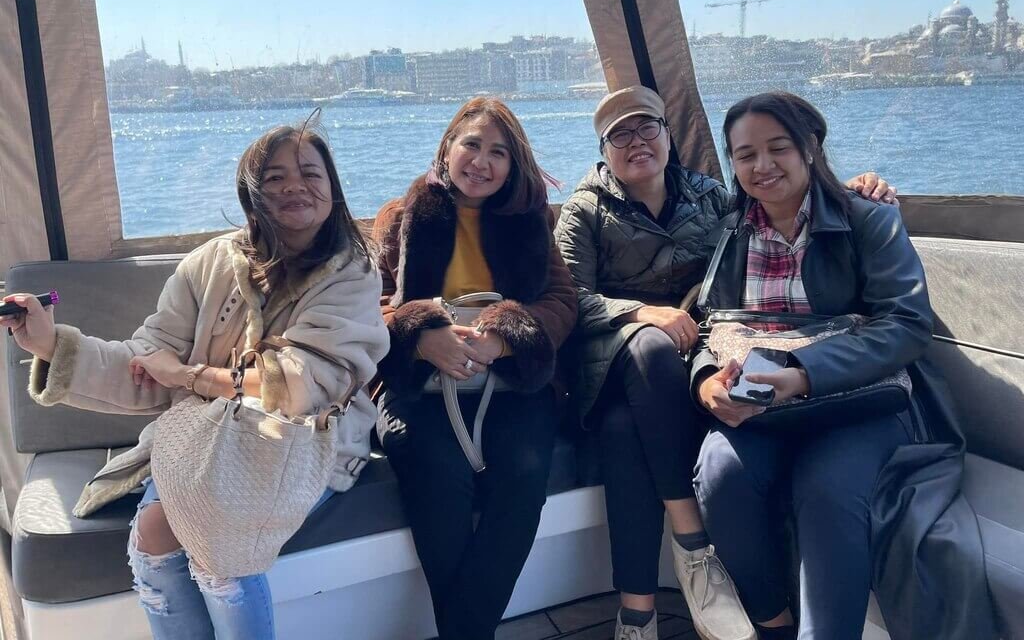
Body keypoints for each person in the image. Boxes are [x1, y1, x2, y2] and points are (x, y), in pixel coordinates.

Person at [2, 120, 390, 640]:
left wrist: (189, 375)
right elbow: (147, 362)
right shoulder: (209, 263)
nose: (294, 186)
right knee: (150, 536)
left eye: (310, 173)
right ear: (253, 194)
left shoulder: (352, 273)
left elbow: (299, 386)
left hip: (308, 443)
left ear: (332, 187)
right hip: (203, 437)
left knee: (218, 544)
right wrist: (51, 344)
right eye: (275, 177)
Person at [553, 85, 896, 640]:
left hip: (697, 352)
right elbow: (569, 299)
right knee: (650, 350)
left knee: (623, 434)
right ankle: (692, 549)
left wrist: (853, 187)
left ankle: (637, 616)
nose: (637, 142)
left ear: (669, 136)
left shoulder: (714, 199)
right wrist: (643, 313)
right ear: (603, 150)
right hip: (617, 355)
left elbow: (784, 215)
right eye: (620, 135)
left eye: (647, 127)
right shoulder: (585, 210)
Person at [689, 91, 932, 640]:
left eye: (778, 147)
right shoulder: (728, 233)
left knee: (827, 489)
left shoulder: (868, 219)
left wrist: (803, 375)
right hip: (764, 404)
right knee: (720, 474)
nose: (762, 165)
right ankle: (771, 624)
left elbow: (906, 323)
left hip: (856, 402)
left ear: (810, 147)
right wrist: (705, 383)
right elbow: (707, 325)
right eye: (745, 154)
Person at [373, 96, 577, 640]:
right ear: (447, 148)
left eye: (498, 152)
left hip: (511, 383)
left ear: (514, 164)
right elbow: (370, 307)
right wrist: (420, 336)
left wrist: (503, 339)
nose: (481, 162)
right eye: (472, 145)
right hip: (421, 385)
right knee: (435, 473)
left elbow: (562, 302)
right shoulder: (400, 218)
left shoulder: (531, 221)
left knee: (524, 474)